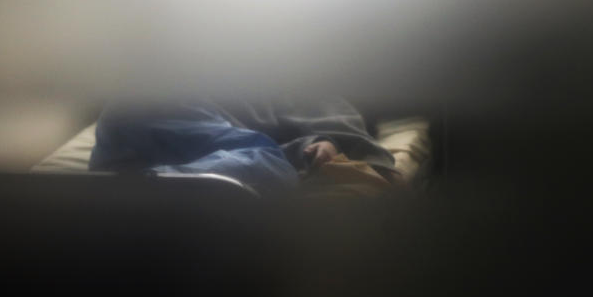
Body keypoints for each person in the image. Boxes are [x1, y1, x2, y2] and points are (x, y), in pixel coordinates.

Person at [89, 96, 398, 191]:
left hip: (137, 136)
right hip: (158, 108)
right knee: (269, 162)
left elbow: (342, 125)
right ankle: (153, 188)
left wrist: (322, 141)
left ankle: (145, 188)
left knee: (265, 159)